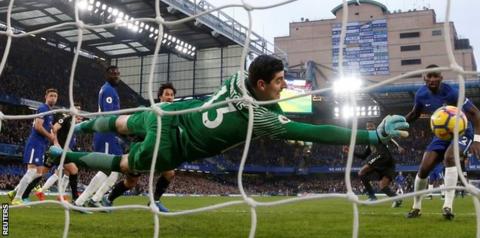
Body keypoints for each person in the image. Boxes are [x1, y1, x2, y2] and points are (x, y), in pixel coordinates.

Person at [47, 55, 409, 203]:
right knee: (126, 166)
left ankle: (79, 125)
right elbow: (317, 132)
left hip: (169, 114)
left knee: (123, 120)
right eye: (280, 81)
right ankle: (66, 153)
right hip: (172, 148)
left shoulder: (237, 77)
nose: (284, 86)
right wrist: (371, 136)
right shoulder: (262, 117)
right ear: (263, 84)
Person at [406, 65, 480, 220]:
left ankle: (447, 206)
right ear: (424, 78)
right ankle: (416, 207)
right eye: (429, 76)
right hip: (441, 134)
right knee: (424, 168)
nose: (432, 79)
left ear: (441, 78)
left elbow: (475, 113)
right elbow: (414, 114)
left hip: (462, 132)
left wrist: (477, 140)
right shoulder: (420, 94)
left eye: (435, 76)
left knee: (449, 158)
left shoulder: (451, 92)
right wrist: (400, 123)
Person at [103, 83, 177, 212]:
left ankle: (155, 201)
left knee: (169, 172)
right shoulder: (151, 111)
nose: (170, 97)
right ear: (160, 97)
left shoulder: (174, 115)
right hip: (141, 149)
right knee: (131, 182)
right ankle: (108, 200)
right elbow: (137, 129)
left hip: (157, 150)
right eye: (167, 94)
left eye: (172, 95)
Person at [75, 66, 122, 208]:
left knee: (115, 170)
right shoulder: (107, 90)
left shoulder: (111, 90)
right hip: (105, 133)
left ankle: (96, 199)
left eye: (118, 74)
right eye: (113, 74)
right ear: (107, 75)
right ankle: (80, 201)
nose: (116, 76)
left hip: (110, 134)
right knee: (107, 169)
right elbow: (108, 115)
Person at [10, 88, 58, 205]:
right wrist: (50, 137)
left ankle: (14, 192)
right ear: (45, 97)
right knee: (32, 171)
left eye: (55, 96)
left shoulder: (50, 112)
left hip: (41, 145)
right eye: (51, 95)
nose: (53, 98)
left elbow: (49, 125)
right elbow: (37, 126)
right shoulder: (42, 108)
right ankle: (17, 198)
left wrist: (53, 132)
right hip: (35, 143)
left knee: (40, 172)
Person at [343, 121, 403, 208]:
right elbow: (363, 156)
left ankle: (372, 197)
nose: (369, 128)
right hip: (384, 164)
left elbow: (390, 138)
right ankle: (397, 199)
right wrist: (350, 151)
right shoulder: (369, 142)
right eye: (367, 127)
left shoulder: (378, 134)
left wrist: (398, 146)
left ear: (374, 127)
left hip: (383, 157)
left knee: (361, 172)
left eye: (371, 126)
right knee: (382, 186)